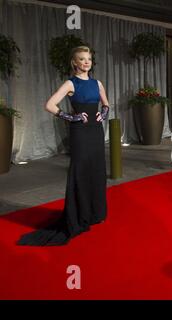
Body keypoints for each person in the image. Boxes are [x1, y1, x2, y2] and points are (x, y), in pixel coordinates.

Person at [18, 46, 110, 246]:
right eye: (82, 59)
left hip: (95, 131)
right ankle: (79, 215)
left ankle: (95, 213)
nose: (86, 62)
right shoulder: (71, 83)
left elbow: (106, 105)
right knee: (80, 171)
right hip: (80, 133)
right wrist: (71, 117)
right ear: (75, 62)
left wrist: (102, 115)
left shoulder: (97, 83)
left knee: (96, 170)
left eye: (89, 59)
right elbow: (50, 105)